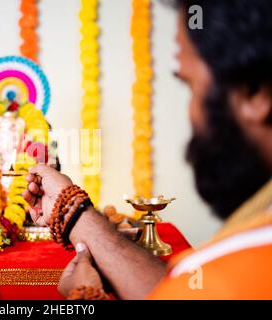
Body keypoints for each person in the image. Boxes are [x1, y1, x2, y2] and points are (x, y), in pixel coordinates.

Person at [22, 0, 272, 300]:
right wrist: (72, 211)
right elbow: (173, 293)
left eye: (191, 86)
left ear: (256, 93)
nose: (190, 112)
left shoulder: (243, 265)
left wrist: (83, 295)